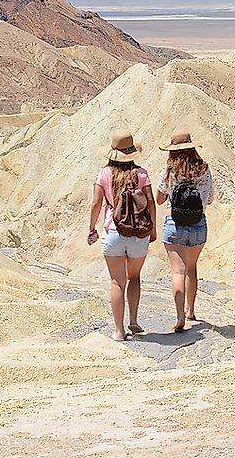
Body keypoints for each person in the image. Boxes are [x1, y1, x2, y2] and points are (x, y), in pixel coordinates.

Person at [88, 130, 156, 341]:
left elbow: (96, 204)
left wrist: (92, 229)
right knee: (134, 277)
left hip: (113, 231)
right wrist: (152, 229)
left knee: (117, 282)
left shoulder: (104, 174)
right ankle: (133, 321)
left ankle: (118, 331)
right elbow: (151, 202)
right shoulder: (142, 174)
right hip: (138, 233)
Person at [155, 130, 214, 332]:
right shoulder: (203, 169)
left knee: (177, 271)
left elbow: (159, 199)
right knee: (192, 269)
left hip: (175, 224)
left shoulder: (169, 171)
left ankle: (180, 316)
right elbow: (210, 198)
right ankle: (191, 310)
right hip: (198, 225)